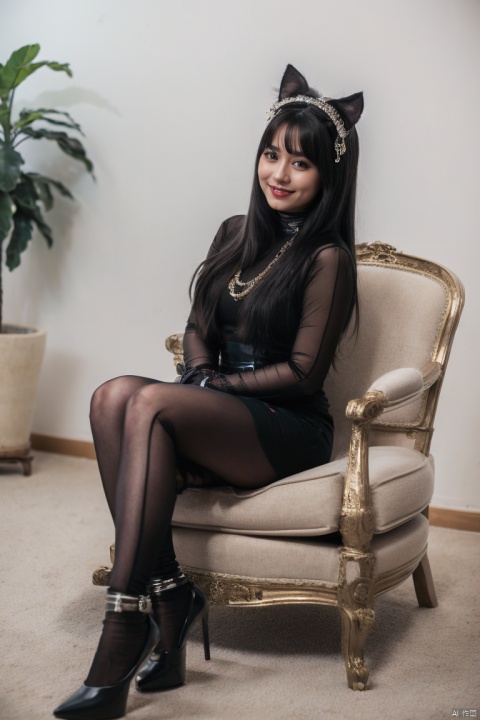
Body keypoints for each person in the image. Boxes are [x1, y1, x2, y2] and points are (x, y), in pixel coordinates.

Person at [53, 64, 363, 720]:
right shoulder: (233, 233)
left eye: (300, 163)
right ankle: (172, 591)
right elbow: (197, 327)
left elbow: (304, 373)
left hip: (287, 426)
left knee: (151, 402)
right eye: (271, 154)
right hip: (222, 404)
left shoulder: (327, 258)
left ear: (327, 176)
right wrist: (201, 373)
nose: (279, 173)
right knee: (112, 396)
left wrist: (211, 383)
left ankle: (127, 622)